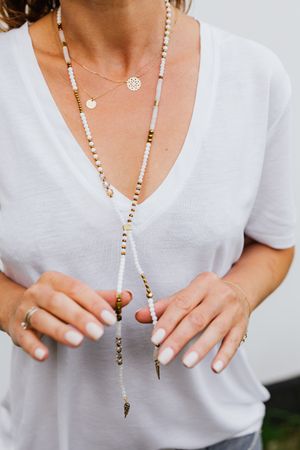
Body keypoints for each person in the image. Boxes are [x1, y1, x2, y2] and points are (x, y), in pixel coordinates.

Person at [0, 0, 296, 449]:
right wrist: (11, 306)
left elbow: (274, 244)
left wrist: (240, 292)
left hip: (222, 437)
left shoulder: (252, 74)